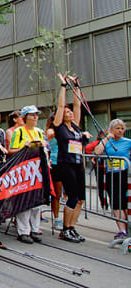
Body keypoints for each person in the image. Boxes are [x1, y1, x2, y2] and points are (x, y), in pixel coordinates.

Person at [53, 73, 86, 243]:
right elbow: (60, 106)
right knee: (72, 196)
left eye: (70, 111)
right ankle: (65, 229)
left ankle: (72, 227)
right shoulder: (59, 128)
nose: (69, 113)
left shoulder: (75, 127)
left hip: (79, 164)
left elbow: (77, 105)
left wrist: (77, 87)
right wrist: (64, 86)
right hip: (66, 164)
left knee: (80, 198)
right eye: (66, 112)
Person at [8, 105, 46, 244]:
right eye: (32, 115)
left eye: (36, 114)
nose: (35, 117)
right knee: (24, 201)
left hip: (37, 170)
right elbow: (10, 150)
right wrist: (24, 147)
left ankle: (35, 229)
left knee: (36, 202)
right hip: (24, 170)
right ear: (25, 117)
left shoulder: (39, 132)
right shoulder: (19, 132)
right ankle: (23, 231)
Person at [93, 119, 131, 239]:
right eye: (117, 128)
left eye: (122, 128)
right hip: (111, 174)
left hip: (125, 174)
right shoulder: (107, 142)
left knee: (125, 203)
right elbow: (97, 151)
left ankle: (127, 227)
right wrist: (107, 138)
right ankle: (122, 230)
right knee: (115, 202)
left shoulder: (128, 142)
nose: (120, 131)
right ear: (111, 130)